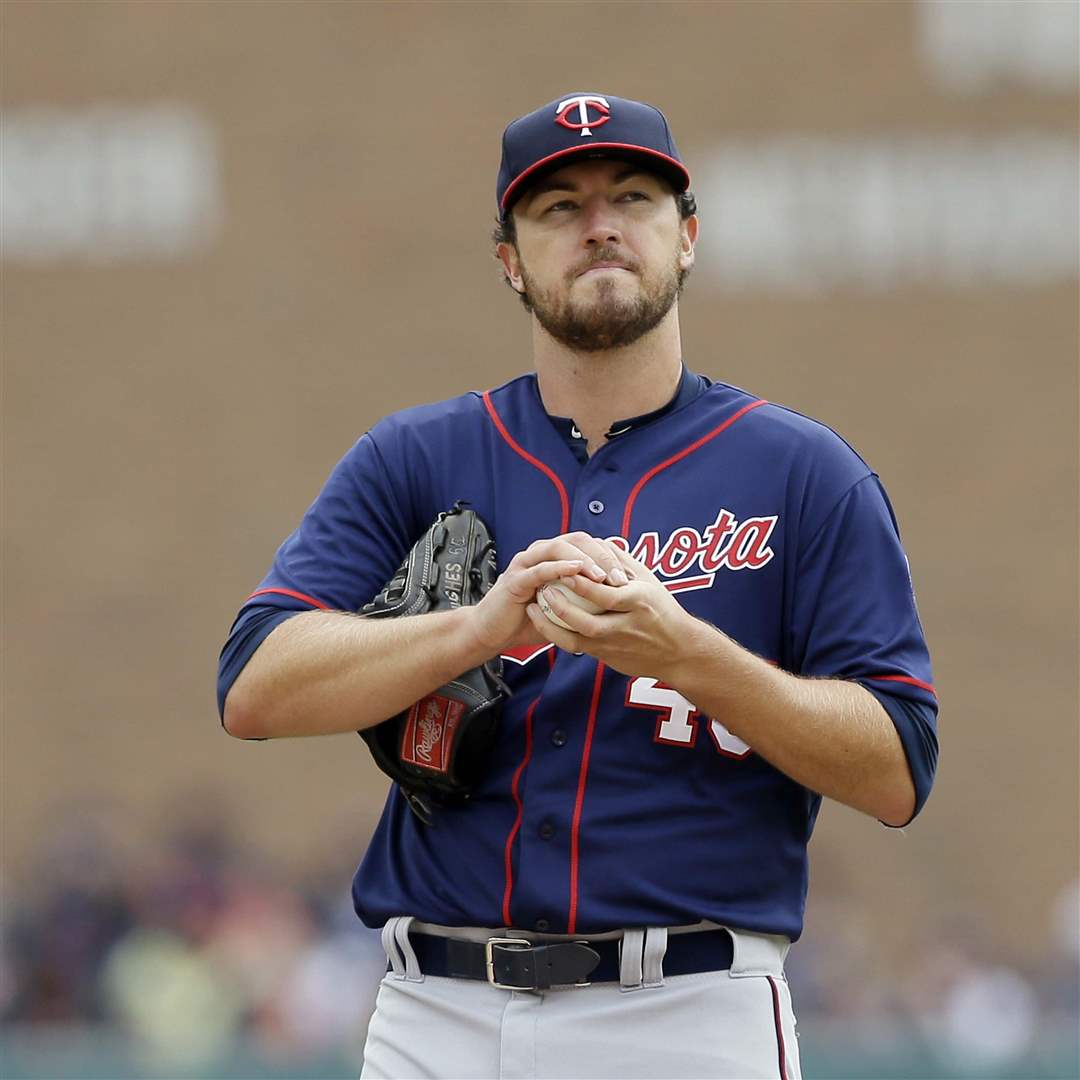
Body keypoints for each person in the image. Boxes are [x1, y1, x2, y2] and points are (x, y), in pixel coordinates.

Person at [217, 92, 939, 1080]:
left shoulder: (803, 475)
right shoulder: (415, 459)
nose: (599, 225)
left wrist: (686, 653)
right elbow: (255, 689)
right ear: (511, 260)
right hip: (440, 1011)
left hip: (686, 1009)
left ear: (686, 238)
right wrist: (474, 629)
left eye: (632, 196)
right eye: (558, 206)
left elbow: (898, 768)